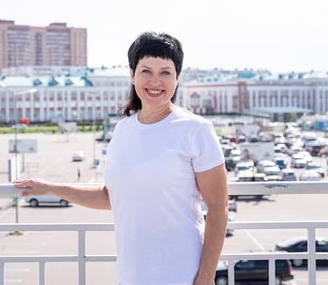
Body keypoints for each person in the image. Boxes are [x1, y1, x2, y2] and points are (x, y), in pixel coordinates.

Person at [15, 32, 228, 285]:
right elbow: (111, 197)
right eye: (146, 71)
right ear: (132, 74)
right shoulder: (123, 130)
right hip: (131, 276)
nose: (155, 81)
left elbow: (218, 208)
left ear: (178, 77)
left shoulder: (195, 130)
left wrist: (205, 276)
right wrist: (51, 188)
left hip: (182, 274)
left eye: (165, 72)